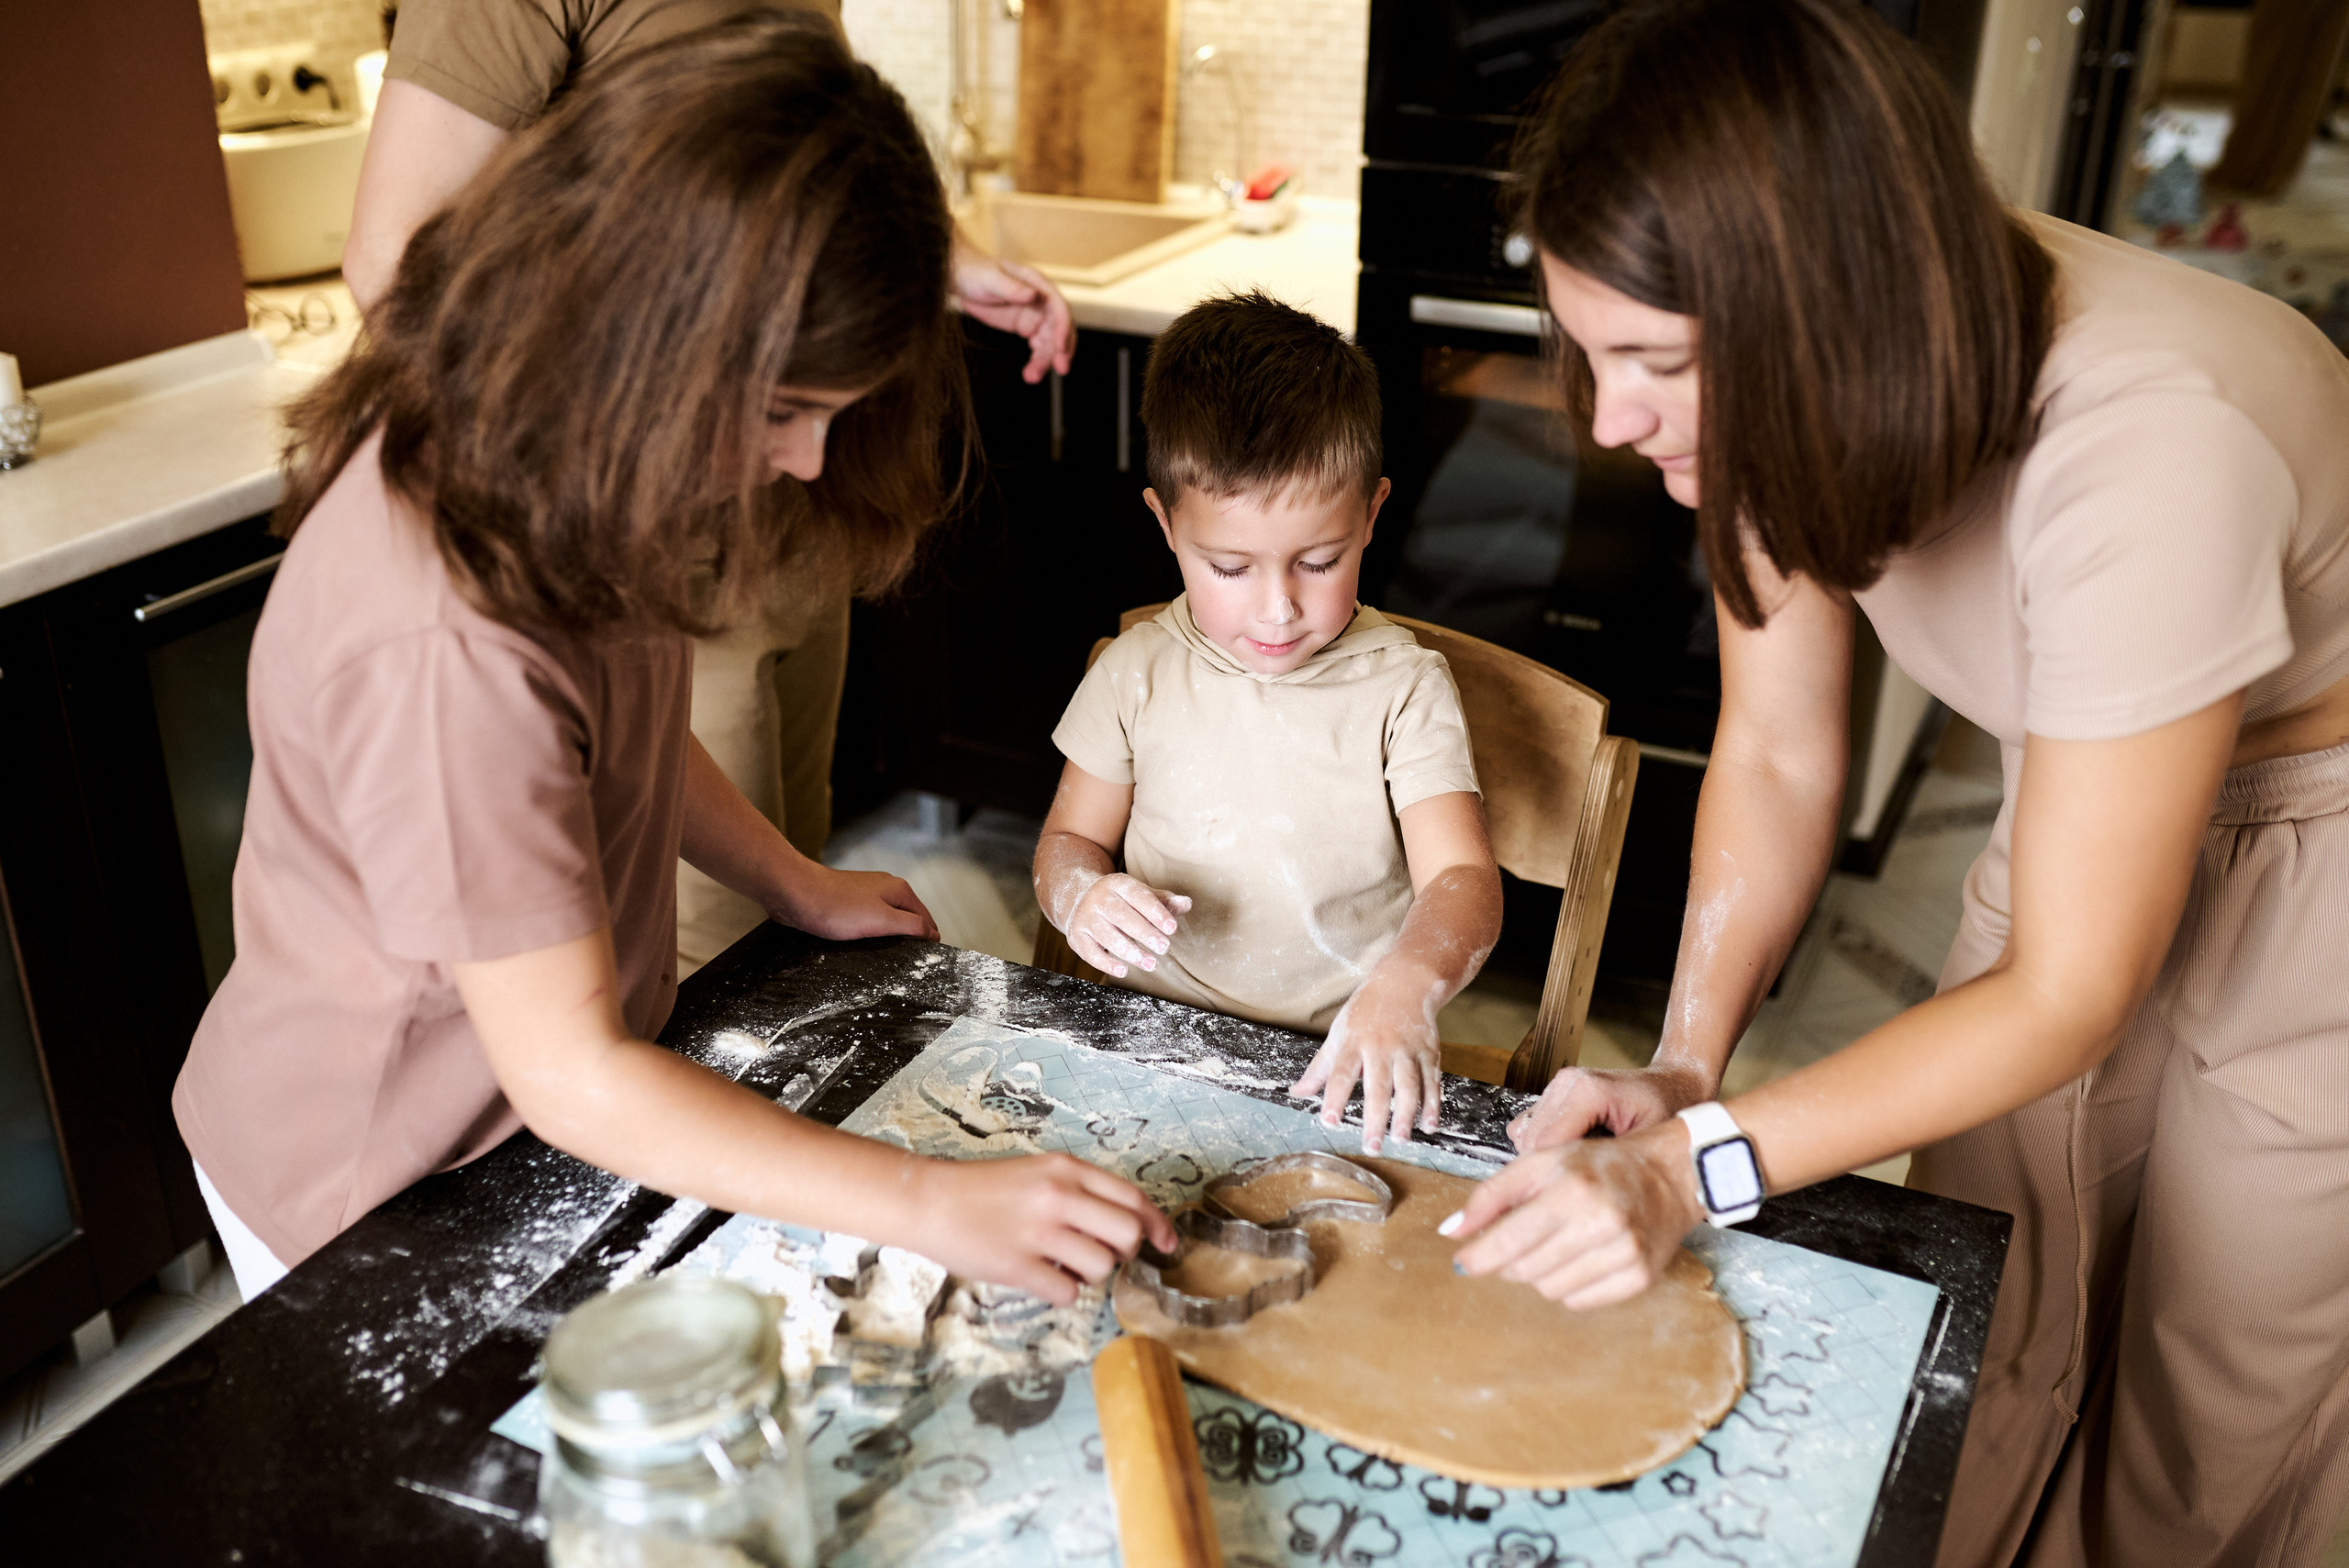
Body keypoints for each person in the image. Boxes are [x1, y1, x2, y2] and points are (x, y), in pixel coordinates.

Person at [1440, 3, 2349, 1565]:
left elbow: (2069, 985)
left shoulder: (2150, 449)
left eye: (1656, 363)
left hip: (2322, 845)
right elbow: (1783, 747)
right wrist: (1685, 1066)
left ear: (1821, 322)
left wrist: (1682, 1176)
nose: (1610, 419)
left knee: (2216, 1366)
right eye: (1590, 355)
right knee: (1999, 1289)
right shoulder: (1805, 372)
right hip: (2089, 780)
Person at [175, 16, 1173, 1307]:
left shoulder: (579, 468)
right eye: (783, 413)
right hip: (368, 1182)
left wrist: (792, 880)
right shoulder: (443, 631)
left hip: (519, 1121)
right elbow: (572, 1069)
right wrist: (934, 1203)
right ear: (656, 333)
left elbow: (621, 735)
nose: (810, 462)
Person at [346, 0, 1080, 973]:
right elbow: (396, 263)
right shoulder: (454, 639)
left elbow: (801, 159)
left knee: (786, 912)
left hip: (788, 529)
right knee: (706, 953)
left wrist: (940, 258)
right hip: (665, 527)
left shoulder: (802, 455)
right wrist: (656, 437)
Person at [1032, 293, 1503, 1154]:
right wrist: (1083, 897)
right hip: (1154, 1044)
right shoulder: (1135, 672)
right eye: (1231, 566)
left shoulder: (1403, 686)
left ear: (1371, 513)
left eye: (1319, 561)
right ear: (1166, 525)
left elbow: (1464, 878)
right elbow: (1067, 843)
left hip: (1346, 1059)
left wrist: (1410, 980)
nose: (1279, 608)